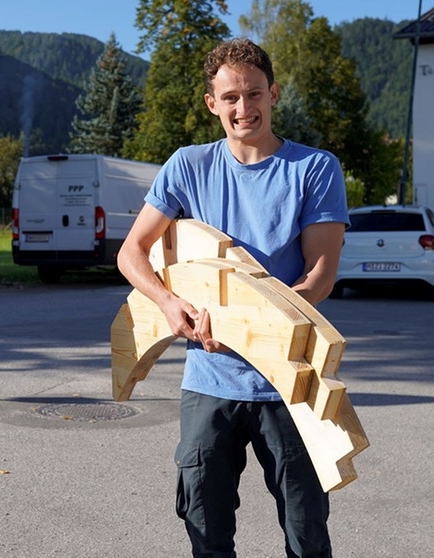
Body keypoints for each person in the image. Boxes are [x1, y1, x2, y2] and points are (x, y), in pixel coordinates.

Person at [117, 38, 349, 557]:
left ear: (274, 93)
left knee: (307, 535)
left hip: (287, 383)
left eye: (254, 94)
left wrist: (259, 329)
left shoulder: (313, 168)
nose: (244, 109)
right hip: (208, 381)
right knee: (206, 531)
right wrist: (168, 304)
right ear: (211, 103)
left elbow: (319, 275)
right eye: (231, 98)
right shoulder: (187, 166)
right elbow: (132, 253)